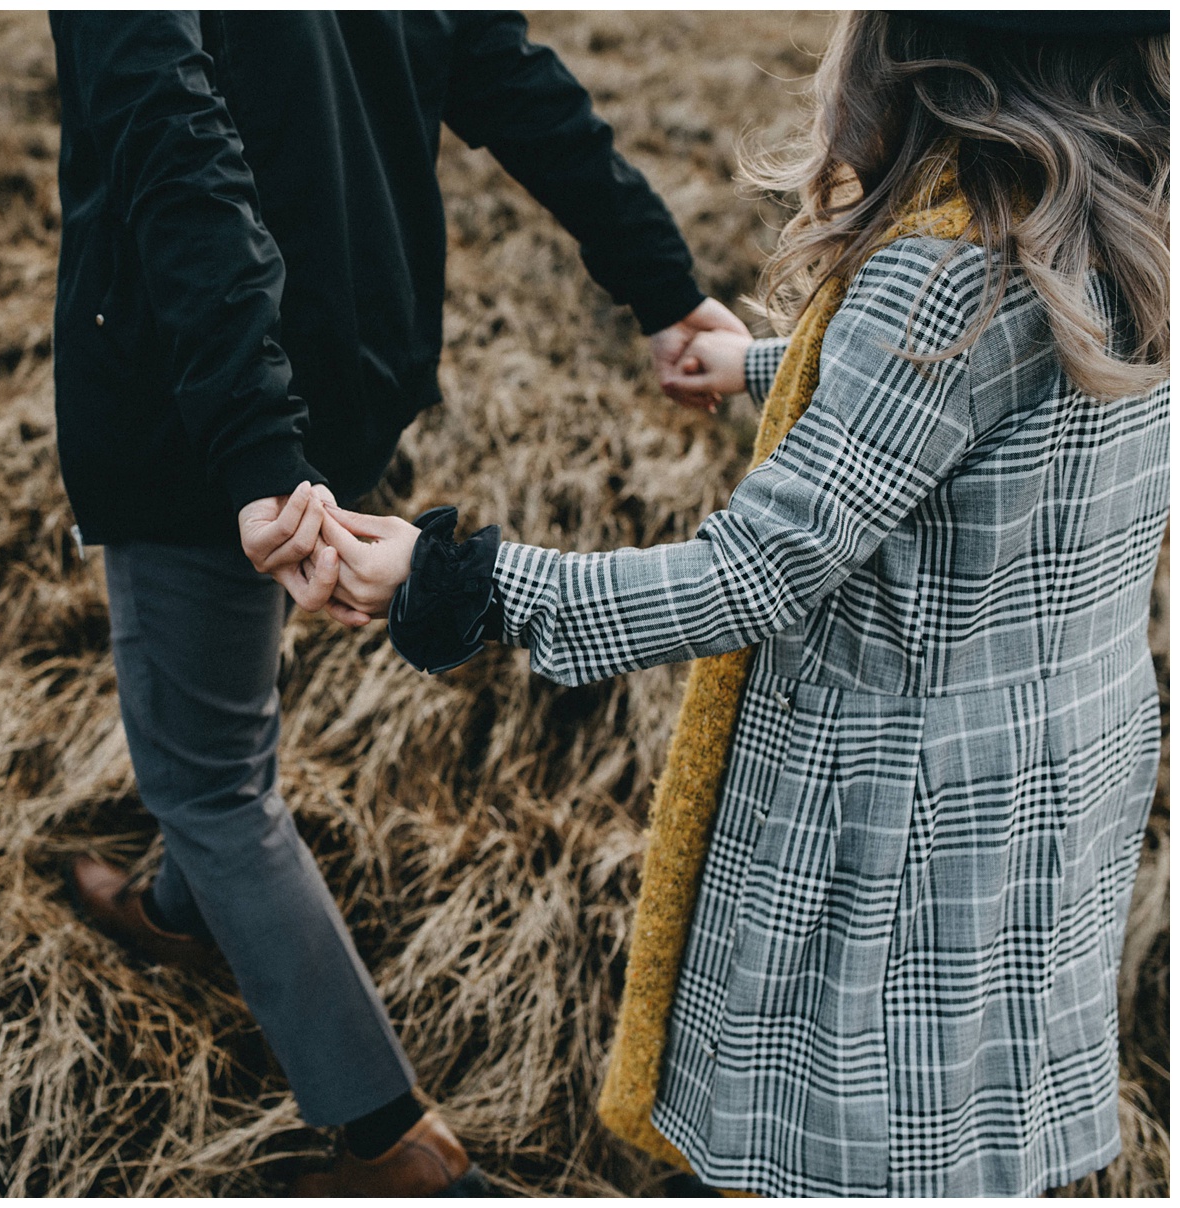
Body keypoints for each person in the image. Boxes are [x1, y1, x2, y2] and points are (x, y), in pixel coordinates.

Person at [309, 10, 1169, 1196]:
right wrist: (768, 363)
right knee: (973, 1093)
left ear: (916, 56)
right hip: (1058, 759)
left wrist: (460, 581)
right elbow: (974, 407)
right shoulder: (1128, 210)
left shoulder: (946, 270)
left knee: (861, 1128)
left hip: (899, 803)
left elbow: (752, 572)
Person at [47, 12, 747, 1194]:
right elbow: (510, 76)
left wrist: (257, 455)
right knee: (220, 688)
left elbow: (176, 151)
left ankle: (387, 1137)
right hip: (348, 353)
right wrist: (663, 287)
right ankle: (187, 903)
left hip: (205, 410)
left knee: (210, 780)